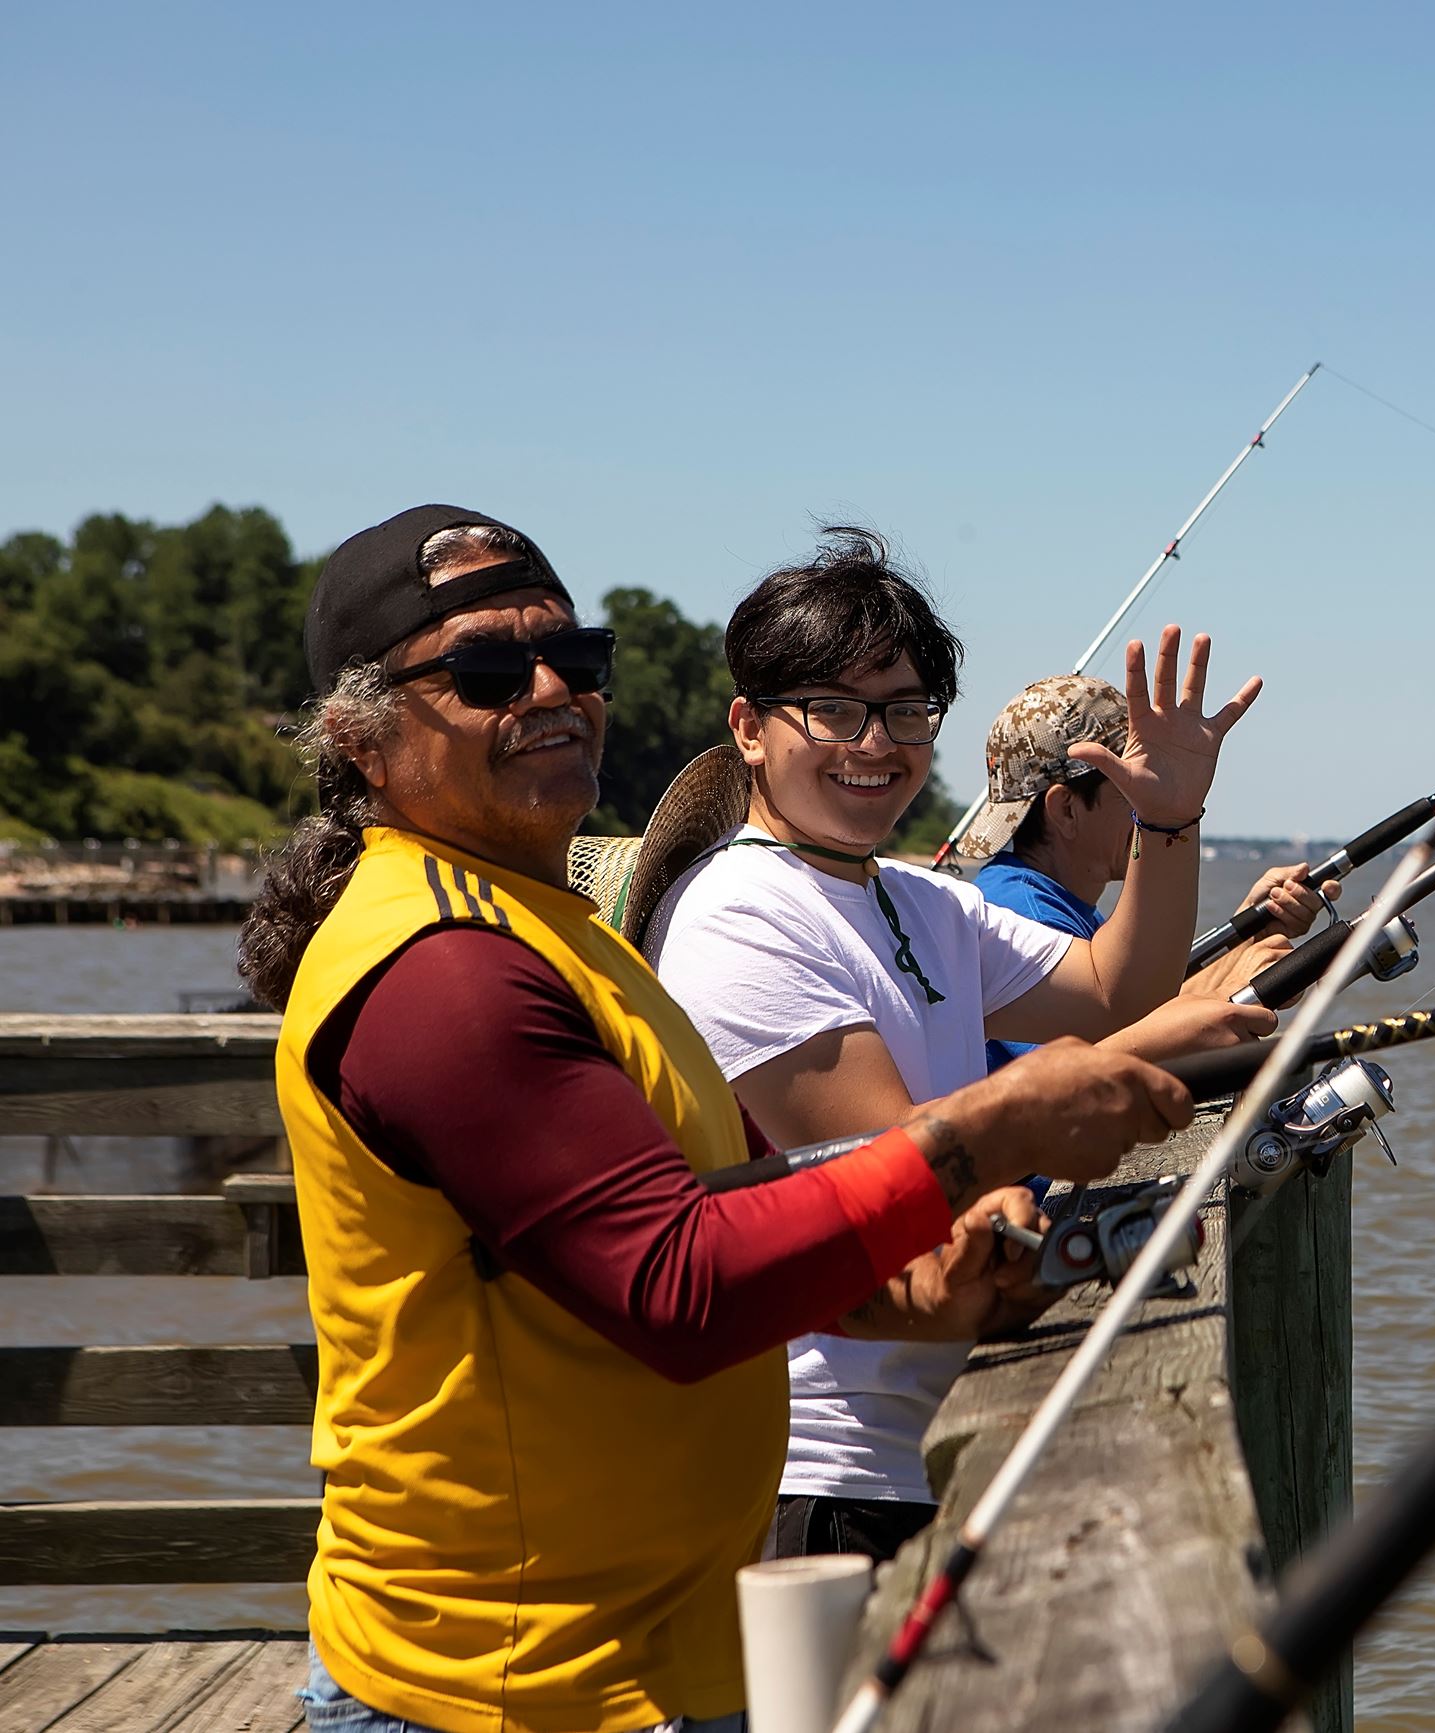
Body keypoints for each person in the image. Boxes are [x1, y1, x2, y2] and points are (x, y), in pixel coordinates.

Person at [239, 505, 1189, 1733]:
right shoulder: (440, 968)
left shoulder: (556, 933)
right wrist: (988, 1131)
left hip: (655, 1643)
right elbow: (676, 1284)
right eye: (485, 669)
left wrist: (908, 1294)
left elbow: (717, 1207)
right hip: (508, 1683)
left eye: (572, 656)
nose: (549, 690)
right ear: (360, 737)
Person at [647, 526, 1273, 1563]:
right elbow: (899, 1171)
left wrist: (1168, 822)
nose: (875, 743)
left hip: (933, 1424)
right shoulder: (740, 911)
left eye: (906, 710)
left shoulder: (919, 899)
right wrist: (1098, 1081)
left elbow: (1115, 987)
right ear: (750, 728)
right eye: (833, 710)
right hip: (819, 1467)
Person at [952, 673, 1335, 1072]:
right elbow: (1078, 1071)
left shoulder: (1050, 898)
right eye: (1136, 787)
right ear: (1066, 810)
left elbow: (1133, 1016)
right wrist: (1229, 992)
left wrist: (1244, 937)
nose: (1152, 804)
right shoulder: (1022, 914)